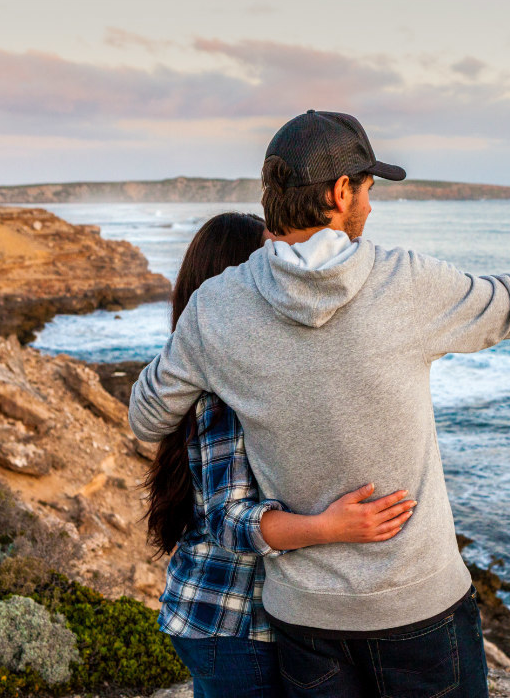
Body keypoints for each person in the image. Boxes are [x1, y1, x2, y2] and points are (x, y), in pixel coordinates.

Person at [130, 110, 510, 697]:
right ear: (339, 191)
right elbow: (509, 304)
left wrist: (220, 357)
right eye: (368, 189)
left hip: (303, 619)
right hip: (418, 606)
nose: (372, 206)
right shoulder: (403, 281)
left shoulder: (215, 307)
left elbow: (148, 414)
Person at [143, 212, 417, 698]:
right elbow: (229, 520)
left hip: (206, 611)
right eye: (263, 266)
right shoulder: (223, 389)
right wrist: (331, 527)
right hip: (232, 623)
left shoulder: (194, 366)